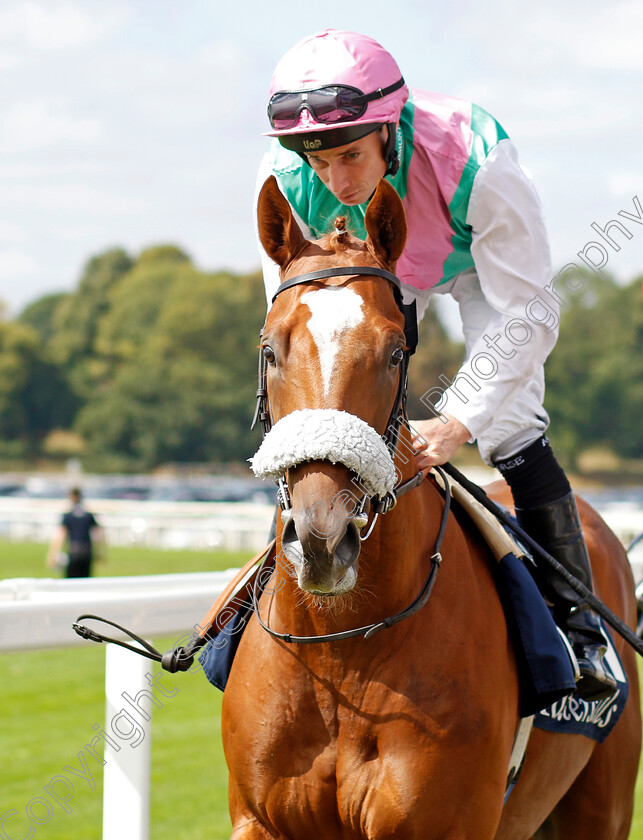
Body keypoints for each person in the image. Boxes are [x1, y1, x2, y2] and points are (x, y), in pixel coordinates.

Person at [255, 29, 615, 701]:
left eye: (351, 157)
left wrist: (455, 423)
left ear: (388, 129)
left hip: (480, 270)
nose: (336, 181)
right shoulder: (284, 177)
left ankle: (580, 631)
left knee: (509, 420)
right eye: (320, 161)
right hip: (378, 269)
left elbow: (525, 314)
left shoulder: (477, 160)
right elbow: (292, 333)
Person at [46, 487, 104, 578]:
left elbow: (61, 535)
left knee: (71, 584)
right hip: (87, 552)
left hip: (74, 552)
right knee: (85, 583)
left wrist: (53, 553)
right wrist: (100, 552)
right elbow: (97, 534)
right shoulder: (88, 515)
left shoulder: (68, 515)